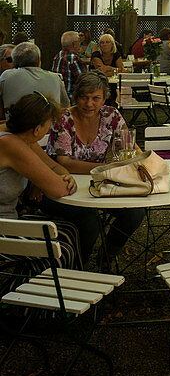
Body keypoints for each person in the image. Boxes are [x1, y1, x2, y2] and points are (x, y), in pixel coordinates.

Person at [46, 72, 144, 264]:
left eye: (95, 98)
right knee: (90, 222)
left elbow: (130, 146)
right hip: (63, 188)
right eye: (84, 97)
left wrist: (144, 163)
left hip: (97, 187)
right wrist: (105, 167)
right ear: (76, 97)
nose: (89, 103)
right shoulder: (64, 119)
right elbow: (64, 162)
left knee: (135, 212)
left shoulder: (111, 115)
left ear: (104, 98)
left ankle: (107, 255)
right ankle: (77, 266)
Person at [0, 94, 79, 261]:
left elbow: (55, 167)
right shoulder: (12, 144)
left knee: (70, 229)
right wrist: (61, 180)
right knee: (60, 245)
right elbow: (59, 189)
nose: (48, 130)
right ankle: (39, 285)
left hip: (9, 219)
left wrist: (61, 175)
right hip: (4, 230)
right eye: (48, 126)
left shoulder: (19, 136)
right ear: (37, 129)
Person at [0, 42, 69, 116]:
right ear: (38, 60)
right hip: (49, 125)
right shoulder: (55, 78)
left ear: (14, 61)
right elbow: (66, 107)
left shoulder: (6, 77)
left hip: (17, 125)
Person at [51, 30, 87, 98]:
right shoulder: (73, 58)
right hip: (71, 99)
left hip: (57, 98)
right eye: (79, 42)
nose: (80, 44)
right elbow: (85, 81)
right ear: (74, 44)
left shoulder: (58, 56)